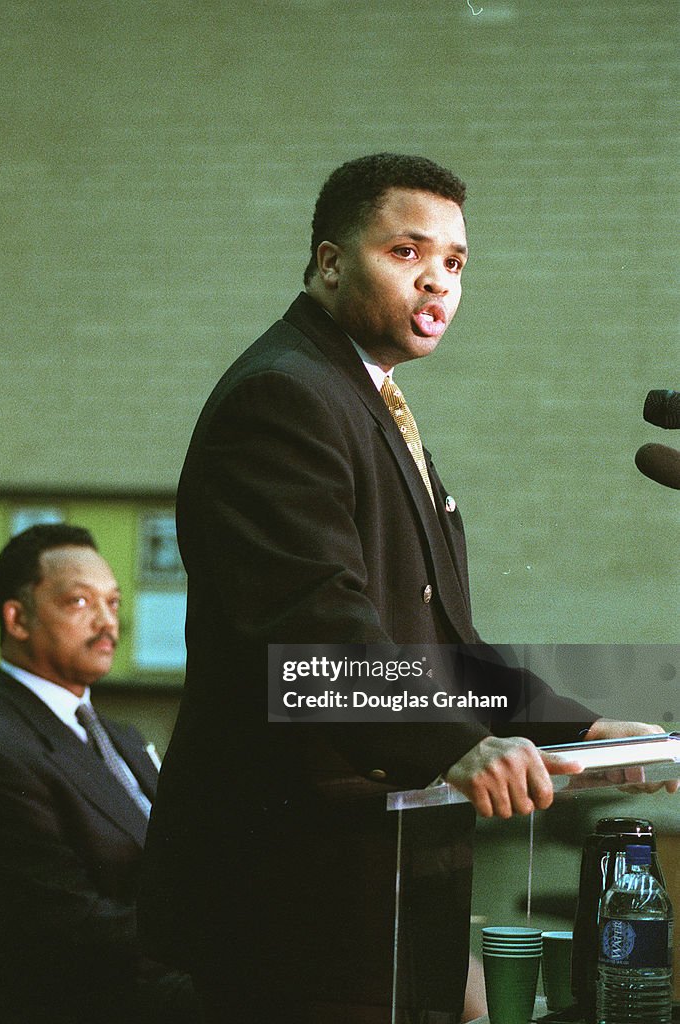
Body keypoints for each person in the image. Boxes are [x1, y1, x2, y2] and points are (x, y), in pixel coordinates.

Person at [139, 154, 672, 1024]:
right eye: (406, 250)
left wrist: (575, 727)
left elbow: (441, 646)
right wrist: (453, 744)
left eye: (455, 262)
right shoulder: (284, 396)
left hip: (376, 879)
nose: (437, 279)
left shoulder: (364, 401)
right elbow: (312, 628)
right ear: (329, 262)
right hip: (291, 887)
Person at [0, 524, 199, 1024]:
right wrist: (220, 942)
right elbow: (66, 932)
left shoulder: (119, 735)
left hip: (153, 976)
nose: (107, 623)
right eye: (79, 602)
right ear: (17, 619)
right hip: (85, 1001)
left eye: (114, 603)